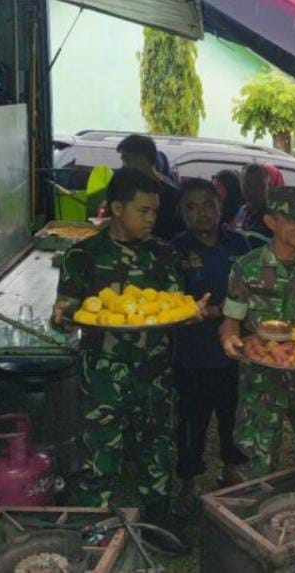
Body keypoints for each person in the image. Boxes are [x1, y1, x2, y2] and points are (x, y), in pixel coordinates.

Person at [51, 168, 186, 522]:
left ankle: (158, 525)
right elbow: (66, 307)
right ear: (116, 208)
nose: (152, 219)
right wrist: (62, 314)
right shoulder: (83, 256)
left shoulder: (163, 254)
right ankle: (96, 532)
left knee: (157, 451)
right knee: (100, 456)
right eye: (143, 211)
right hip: (101, 377)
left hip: (154, 372)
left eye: (155, 211)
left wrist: (192, 312)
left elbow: (174, 305)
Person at [220, 186, 295, 477]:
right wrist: (228, 338)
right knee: (258, 458)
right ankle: (255, 513)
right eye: (292, 220)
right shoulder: (246, 267)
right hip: (261, 378)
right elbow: (231, 319)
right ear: (271, 222)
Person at [170, 179, 251, 509]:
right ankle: (188, 480)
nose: (201, 213)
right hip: (191, 355)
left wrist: (219, 311)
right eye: (191, 206)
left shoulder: (240, 244)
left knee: (233, 416)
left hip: (234, 353)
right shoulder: (174, 250)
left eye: (208, 204)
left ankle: (231, 470)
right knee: (192, 421)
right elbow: (169, 301)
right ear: (181, 212)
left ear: (221, 207)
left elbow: (252, 292)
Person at [116, 134, 183, 240]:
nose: (123, 166)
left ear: (141, 158)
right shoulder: (132, 188)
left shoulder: (169, 194)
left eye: (126, 159)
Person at [233, 163, 273, 248]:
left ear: (268, 185)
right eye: (247, 184)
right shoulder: (242, 211)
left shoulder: (275, 215)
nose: (252, 189)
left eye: (258, 184)